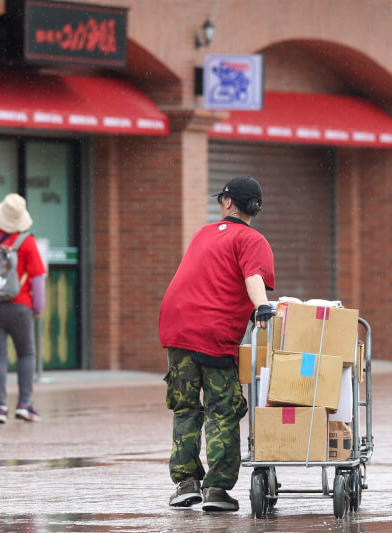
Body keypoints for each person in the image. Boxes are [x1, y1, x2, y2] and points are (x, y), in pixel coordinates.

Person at [159, 175, 275, 512]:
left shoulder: (203, 234)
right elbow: (253, 276)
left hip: (177, 326)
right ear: (256, 207)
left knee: (185, 407)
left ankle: (185, 483)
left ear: (227, 203)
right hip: (214, 330)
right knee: (222, 410)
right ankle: (217, 490)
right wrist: (262, 307)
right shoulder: (253, 239)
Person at [0, 193, 46, 424]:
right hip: (19, 305)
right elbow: (38, 279)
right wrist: (37, 307)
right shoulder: (27, 243)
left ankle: (0, 407)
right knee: (25, 353)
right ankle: (24, 404)